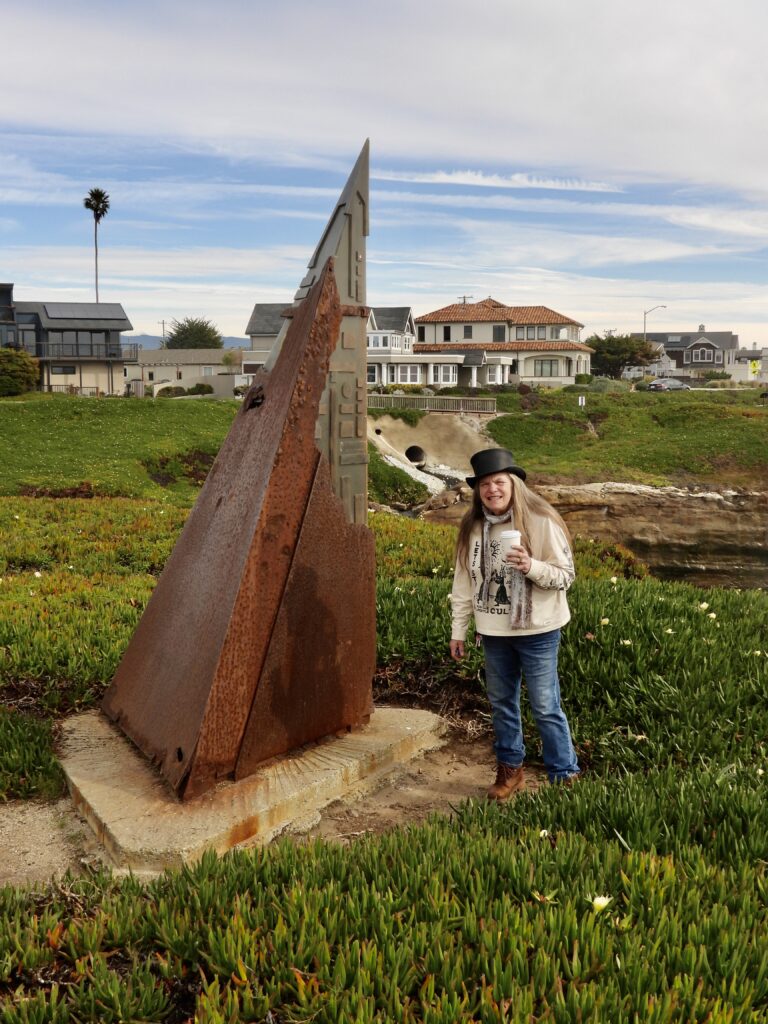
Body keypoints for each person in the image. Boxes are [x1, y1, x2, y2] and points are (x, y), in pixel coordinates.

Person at [449, 447, 580, 799]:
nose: (492, 490)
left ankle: (564, 775)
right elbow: (463, 583)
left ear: (513, 484)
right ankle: (510, 770)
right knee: (502, 704)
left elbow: (566, 576)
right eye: (484, 484)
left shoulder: (541, 520)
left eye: (499, 482)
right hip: (493, 632)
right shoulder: (472, 528)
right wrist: (458, 630)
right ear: (478, 491)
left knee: (545, 706)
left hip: (539, 630)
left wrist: (530, 566)